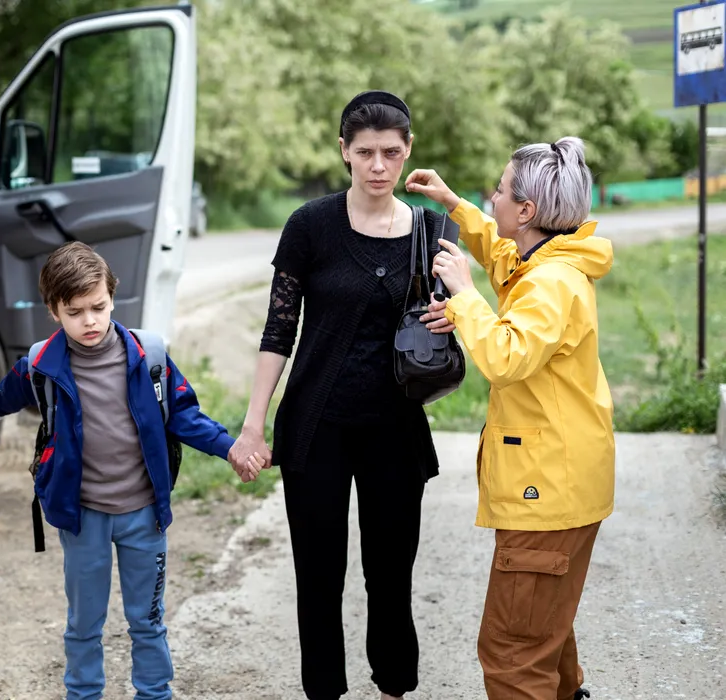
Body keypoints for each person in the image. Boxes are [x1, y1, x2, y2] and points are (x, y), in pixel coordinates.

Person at [232, 90, 456, 700]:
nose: (378, 166)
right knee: (318, 578)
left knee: (391, 576)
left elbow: (459, 311)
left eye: (391, 153)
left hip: (395, 430)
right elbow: (278, 331)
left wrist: (454, 313)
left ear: (408, 150)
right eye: (365, 153)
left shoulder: (434, 229)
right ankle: (325, 692)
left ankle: (393, 688)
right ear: (343, 152)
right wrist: (253, 425)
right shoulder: (310, 225)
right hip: (316, 429)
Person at [0, 241, 258, 700]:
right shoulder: (42, 364)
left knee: (147, 619)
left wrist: (230, 449)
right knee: (84, 623)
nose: (89, 321)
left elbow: (184, 415)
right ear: (54, 311)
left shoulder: (149, 356)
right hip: (82, 515)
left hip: (143, 513)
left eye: (98, 307)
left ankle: (154, 693)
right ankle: (84, 693)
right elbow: (11, 391)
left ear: (112, 298)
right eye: (75, 312)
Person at [405, 137, 614, 700]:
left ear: (526, 210)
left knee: (514, 653)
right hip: (564, 484)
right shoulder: (546, 263)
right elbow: (502, 258)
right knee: (545, 625)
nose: (491, 198)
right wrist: (454, 205)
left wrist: (463, 296)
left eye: (498, 191)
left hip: (546, 492)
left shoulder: (550, 283)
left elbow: (506, 357)